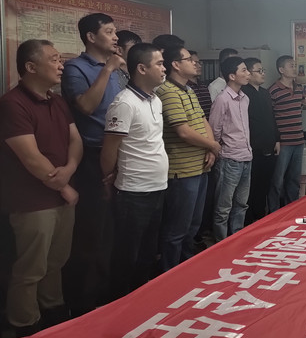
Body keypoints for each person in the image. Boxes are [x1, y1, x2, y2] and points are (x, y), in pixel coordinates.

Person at [0, 40, 82, 337]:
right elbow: (32, 158)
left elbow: (75, 140)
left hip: (61, 195)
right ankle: (24, 325)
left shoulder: (56, 101)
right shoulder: (12, 104)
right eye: (54, 59)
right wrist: (64, 187)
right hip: (32, 201)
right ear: (31, 67)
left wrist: (70, 169)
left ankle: (52, 311)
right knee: (30, 268)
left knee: (56, 262)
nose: (61, 65)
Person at [60, 12, 125, 316]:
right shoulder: (76, 67)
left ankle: (109, 293)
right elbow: (86, 106)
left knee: (114, 228)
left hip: (119, 152)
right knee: (93, 230)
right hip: (91, 155)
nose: (115, 37)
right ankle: (84, 303)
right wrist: (108, 69)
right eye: (109, 32)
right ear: (91, 37)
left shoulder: (118, 69)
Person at [100, 43, 168, 299]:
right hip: (133, 192)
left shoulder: (155, 99)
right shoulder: (124, 103)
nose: (164, 68)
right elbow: (110, 148)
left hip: (157, 187)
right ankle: (118, 302)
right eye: (159, 63)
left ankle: (140, 301)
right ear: (141, 68)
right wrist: (108, 179)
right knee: (127, 254)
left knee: (147, 253)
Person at [156, 46, 220, 271]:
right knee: (176, 230)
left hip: (200, 167)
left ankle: (186, 269)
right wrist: (212, 145)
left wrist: (211, 148)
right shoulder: (167, 91)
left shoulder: (189, 90)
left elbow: (203, 121)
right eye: (189, 60)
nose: (195, 63)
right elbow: (183, 131)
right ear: (175, 64)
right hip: (182, 171)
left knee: (193, 226)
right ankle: (169, 273)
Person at [209, 57, 253, 240]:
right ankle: (221, 242)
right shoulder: (222, 99)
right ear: (232, 76)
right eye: (244, 70)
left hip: (246, 157)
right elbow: (214, 130)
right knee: (223, 207)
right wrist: (217, 152)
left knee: (241, 204)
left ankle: (236, 238)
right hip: (229, 159)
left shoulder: (245, 98)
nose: (248, 73)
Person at [241, 57, 280, 224]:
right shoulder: (243, 94)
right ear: (249, 73)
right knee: (251, 186)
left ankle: (260, 216)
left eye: (263, 70)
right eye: (259, 71)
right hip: (252, 147)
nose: (263, 74)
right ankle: (249, 220)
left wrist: (277, 139)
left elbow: (272, 118)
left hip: (269, 145)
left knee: (265, 184)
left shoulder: (265, 93)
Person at [268, 55, 305, 213]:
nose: (295, 68)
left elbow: (299, 109)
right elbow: (270, 118)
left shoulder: (299, 88)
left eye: (295, 65)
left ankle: (291, 211)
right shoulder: (273, 91)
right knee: (277, 181)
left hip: (298, 140)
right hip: (283, 143)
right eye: (291, 65)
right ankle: (274, 212)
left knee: (294, 180)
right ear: (281, 70)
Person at [188, 50, 212, 119]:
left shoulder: (203, 86)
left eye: (199, 63)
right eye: (195, 63)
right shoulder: (185, 87)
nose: (199, 66)